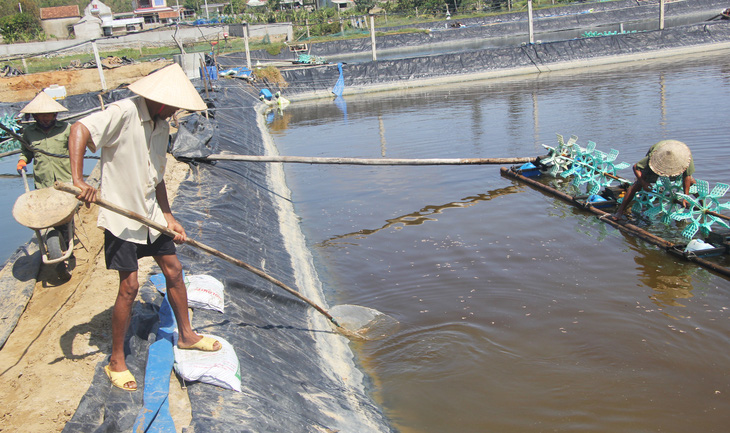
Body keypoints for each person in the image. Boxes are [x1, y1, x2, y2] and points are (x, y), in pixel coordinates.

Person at [68, 64, 220, 392]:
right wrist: (79, 180)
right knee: (130, 287)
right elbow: (79, 129)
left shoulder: (163, 126)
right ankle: (117, 360)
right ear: (162, 101)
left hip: (150, 215)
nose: (177, 111)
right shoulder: (123, 112)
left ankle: (187, 335)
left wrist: (168, 215)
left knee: (174, 270)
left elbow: (158, 176)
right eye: (175, 105)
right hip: (122, 217)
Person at [17, 91, 74, 279]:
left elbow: (77, 150)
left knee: (65, 220)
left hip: (65, 182)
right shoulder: (29, 132)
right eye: (41, 115)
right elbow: (26, 152)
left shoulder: (66, 129)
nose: (45, 118)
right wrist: (22, 160)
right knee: (48, 219)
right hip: (43, 184)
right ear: (34, 116)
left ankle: (66, 245)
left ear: (55, 114)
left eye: (48, 114)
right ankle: (57, 248)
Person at [611, 139, 695, 220]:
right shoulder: (654, 156)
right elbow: (636, 167)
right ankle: (619, 211)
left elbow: (687, 176)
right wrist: (643, 183)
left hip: (676, 150)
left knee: (691, 181)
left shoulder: (686, 157)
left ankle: (703, 203)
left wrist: (686, 197)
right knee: (637, 185)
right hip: (660, 150)